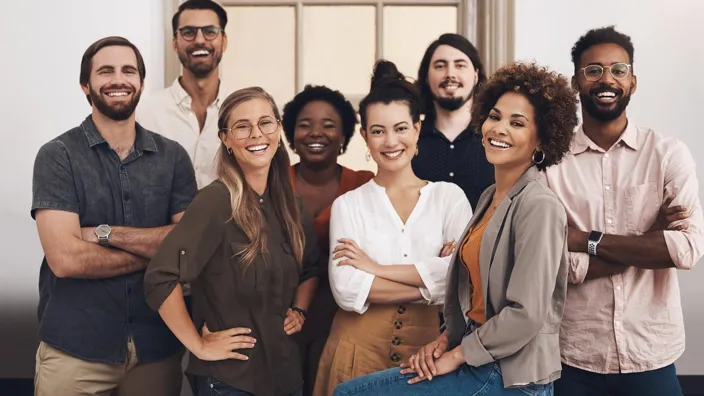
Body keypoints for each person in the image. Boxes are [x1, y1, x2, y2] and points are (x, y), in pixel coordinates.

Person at [332, 62, 579, 395]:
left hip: (509, 373)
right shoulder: (490, 197)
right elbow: (466, 289)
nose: (499, 128)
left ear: (542, 139)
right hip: (478, 354)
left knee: (352, 394)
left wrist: (458, 355)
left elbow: (527, 315)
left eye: (517, 123)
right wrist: (445, 340)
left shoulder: (539, 205)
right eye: (495, 116)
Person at [31, 36, 197, 396]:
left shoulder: (173, 158)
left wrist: (104, 234)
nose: (118, 79)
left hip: (155, 346)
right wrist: (156, 252)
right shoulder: (57, 156)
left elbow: (188, 247)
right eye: (106, 71)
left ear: (141, 82)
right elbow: (65, 260)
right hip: (75, 351)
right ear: (85, 85)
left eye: (128, 71)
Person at [546, 26, 704, 396]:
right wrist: (649, 242)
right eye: (593, 70)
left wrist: (584, 239)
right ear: (575, 82)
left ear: (633, 82)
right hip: (573, 356)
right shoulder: (550, 164)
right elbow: (551, 264)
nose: (607, 79)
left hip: (651, 351)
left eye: (619, 70)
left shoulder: (668, 154)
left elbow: (688, 248)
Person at [144, 86, 320, 396]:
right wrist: (197, 344)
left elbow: (310, 269)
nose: (256, 134)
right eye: (242, 126)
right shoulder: (215, 202)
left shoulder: (291, 203)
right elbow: (160, 278)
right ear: (225, 138)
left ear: (278, 129)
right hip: (231, 381)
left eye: (265, 122)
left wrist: (300, 310)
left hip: (286, 376)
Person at [312, 60, 472, 396]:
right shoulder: (348, 205)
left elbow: (466, 281)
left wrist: (376, 269)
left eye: (400, 128)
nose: (390, 141)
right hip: (353, 354)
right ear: (364, 137)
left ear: (417, 128)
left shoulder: (449, 198)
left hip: (427, 360)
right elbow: (346, 289)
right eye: (378, 131)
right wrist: (434, 282)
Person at [282, 85, 375, 396]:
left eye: (328, 125)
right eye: (305, 124)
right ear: (292, 134)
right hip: (283, 317)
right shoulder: (272, 186)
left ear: (345, 136)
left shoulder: (365, 185)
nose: (315, 133)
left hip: (345, 319)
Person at [137, 0, 229, 189]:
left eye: (210, 31)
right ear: (175, 43)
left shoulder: (243, 112)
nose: (200, 40)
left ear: (224, 41)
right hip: (163, 220)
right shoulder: (144, 115)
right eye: (188, 32)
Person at [413, 33, 495, 209]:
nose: (450, 74)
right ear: (427, 77)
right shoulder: (410, 141)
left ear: (475, 75)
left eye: (460, 65)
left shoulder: (497, 138)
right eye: (440, 66)